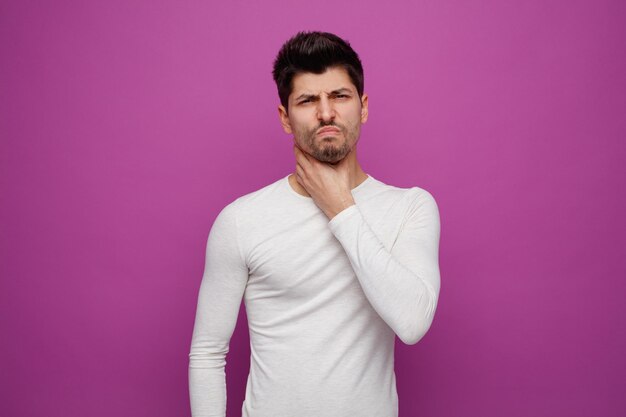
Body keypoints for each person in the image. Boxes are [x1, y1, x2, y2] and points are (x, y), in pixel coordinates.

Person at [188, 31, 441, 417]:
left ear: (364, 106)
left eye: (339, 96)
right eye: (308, 100)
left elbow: (412, 322)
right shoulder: (242, 220)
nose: (326, 113)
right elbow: (207, 353)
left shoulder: (410, 207)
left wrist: (340, 208)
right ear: (285, 118)